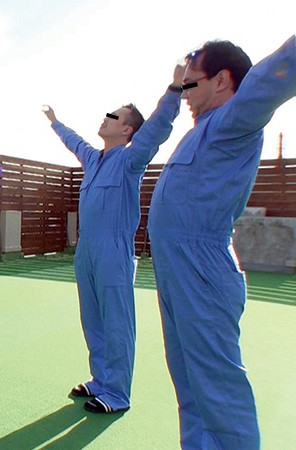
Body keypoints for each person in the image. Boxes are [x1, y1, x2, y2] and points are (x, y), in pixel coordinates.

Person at [148, 36, 296, 449]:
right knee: (189, 385)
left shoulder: (234, 119)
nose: (185, 94)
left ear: (222, 80)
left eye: (191, 83)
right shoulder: (201, 130)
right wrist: (176, 84)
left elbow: (271, 76)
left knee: (218, 391)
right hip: (177, 270)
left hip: (202, 269)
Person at [43, 67, 182, 414]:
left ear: (127, 129)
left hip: (114, 252)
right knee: (92, 318)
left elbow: (157, 129)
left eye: (113, 116)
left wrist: (175, 90)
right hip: (86, 251)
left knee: (117, 322)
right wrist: (55, 122)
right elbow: (74, 141)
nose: (105, 118)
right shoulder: (93, 159)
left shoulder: (131, 160)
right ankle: (101, 378)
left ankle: (118, 394)